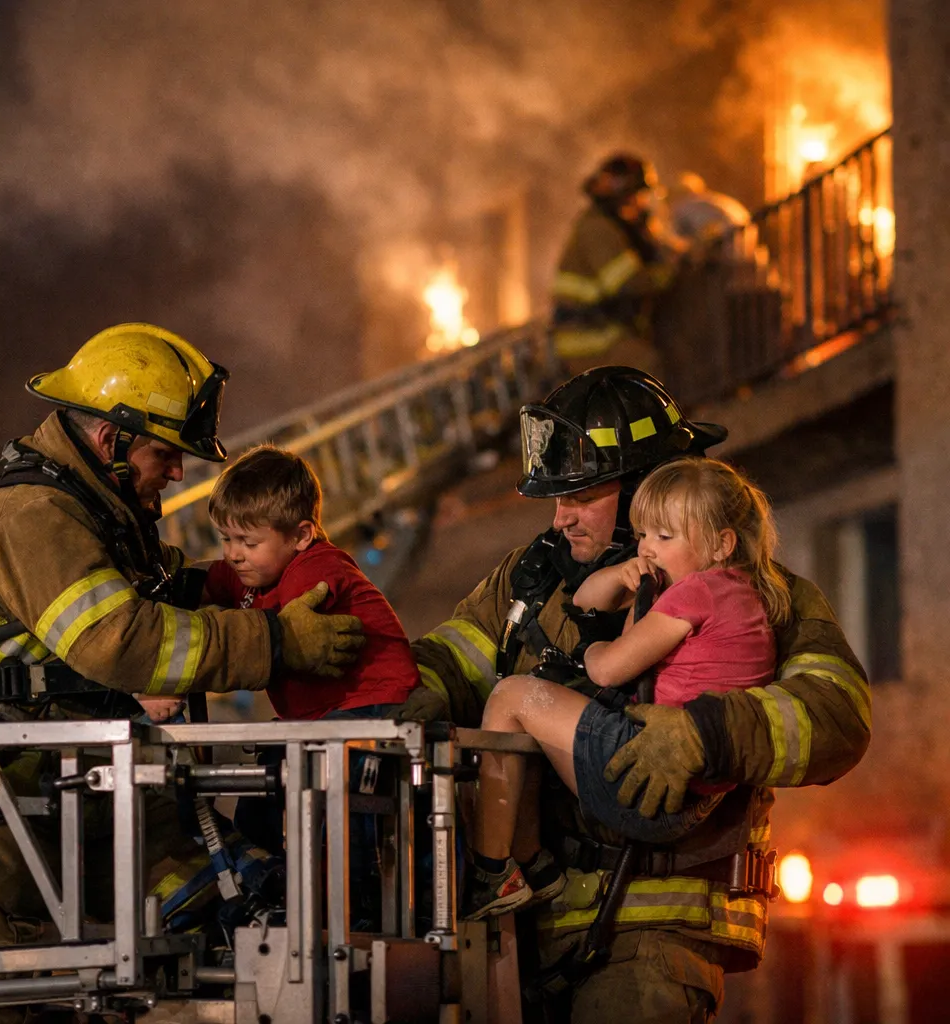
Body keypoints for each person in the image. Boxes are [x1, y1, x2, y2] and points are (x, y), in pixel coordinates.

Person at [395, 365, 870, 1023]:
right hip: (518, 939)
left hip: (653, 937)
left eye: (583, 494)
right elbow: (445, 662)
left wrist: (710, 732)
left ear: (652, 489)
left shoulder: (754, 591)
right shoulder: (531, 585)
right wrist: (400, 710)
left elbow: (837, 710)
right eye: (556, 497)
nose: (561, 517)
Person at [0, 324, 366, 1011]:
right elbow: (123, 641)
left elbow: (159, 592)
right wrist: (274, 642)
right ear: (111, 441)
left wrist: (253, 583)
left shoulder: (86, 510)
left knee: (247, 898)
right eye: (166, 453)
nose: (179, 473)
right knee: (11, 1000)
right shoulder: (30, 518)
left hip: (54, 798)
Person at [461, 456, 789, 920]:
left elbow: (608, 670)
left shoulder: (694, 593)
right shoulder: (743, 593)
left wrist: (592, 648)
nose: (648, 550)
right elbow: (584, 598)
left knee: (514, 696)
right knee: (533, 726)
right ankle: (537, 867)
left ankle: (491, 874)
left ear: (721, 544)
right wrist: (621, 574)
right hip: (687, 797)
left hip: (643, 778)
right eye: (642, 536)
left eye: (664, 537)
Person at [202, 443, 420, 928]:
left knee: (346, 819)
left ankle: (356, 912)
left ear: (301, 535)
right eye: (225, 538)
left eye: (246, 542)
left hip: (370, 713)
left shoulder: (317, 570)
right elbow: (203, 583)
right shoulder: (257, 569)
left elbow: (274, 633)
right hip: (316, 723)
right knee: (260, 801)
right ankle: (268, 887)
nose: (233, 555)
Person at [551, 153, 685, 377]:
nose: (642, 203)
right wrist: (669, 273)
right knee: (644, 367)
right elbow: (627, 283)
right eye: (638, 196)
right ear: (624, 196)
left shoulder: (617, 226)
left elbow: (660, 250)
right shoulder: (598, 230)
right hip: (589, 340)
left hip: (602, 331)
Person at [668, 172, 750, 249]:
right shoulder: (716, 200)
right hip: (746, 241)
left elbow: (679, 240)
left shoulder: (684, 204)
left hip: (726, 247)